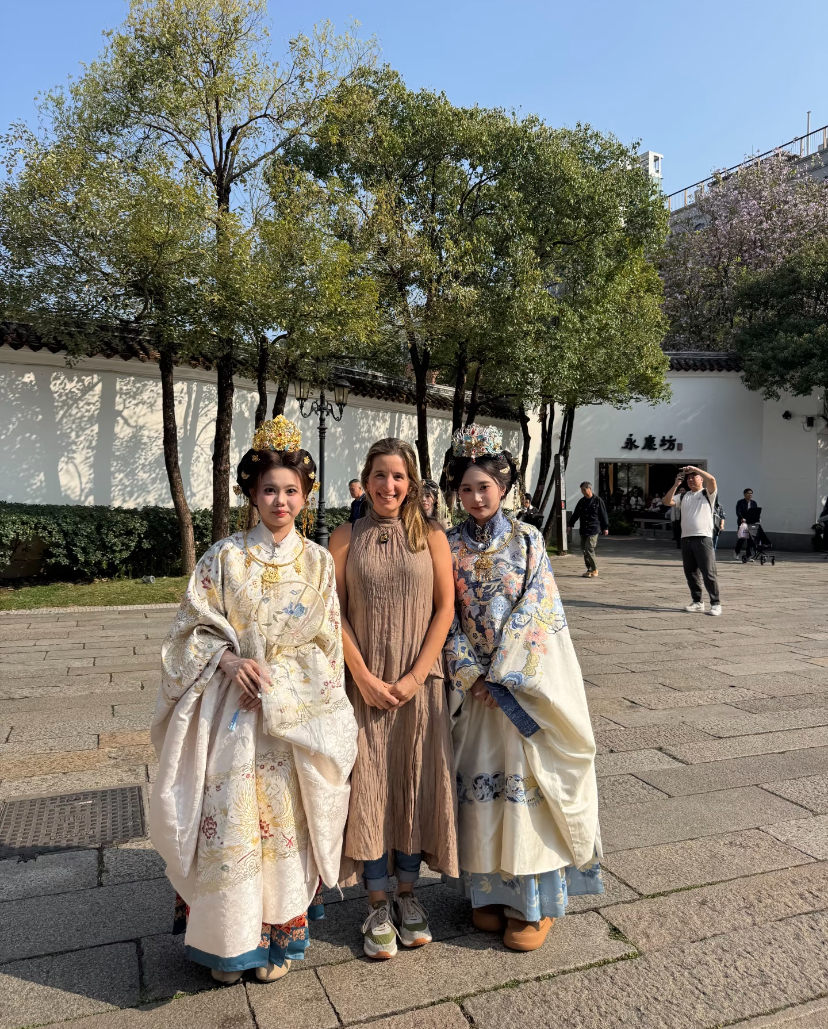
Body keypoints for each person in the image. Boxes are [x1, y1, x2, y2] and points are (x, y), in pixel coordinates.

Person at [150, 417, 358, 985]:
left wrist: (281, 684)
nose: (281, 500)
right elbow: (189, 631)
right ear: (251, 494)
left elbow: (325, 643)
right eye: (270, 490)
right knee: (232, 821)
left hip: (289, 717)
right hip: (232, 713)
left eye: (292, 490)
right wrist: (229, 662)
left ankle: (274, 939)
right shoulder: (223, 557)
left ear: (306, 496)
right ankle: (226, 940)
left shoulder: (317, 561)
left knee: (282, 827)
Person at [443, 424, 603, 953]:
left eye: (484, 486)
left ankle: (532, 904)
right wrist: (469, 671)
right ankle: (486, 891)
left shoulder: (529, 540)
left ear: (504, 487)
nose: (475, 497)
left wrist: (503, 671)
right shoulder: (447, 546)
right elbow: (441, 617)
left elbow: (539, 612)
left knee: (525, 789)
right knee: (481, 788)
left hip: (522, 689)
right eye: (465, 488)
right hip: (475, 693)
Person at [330, 439, 457, 960]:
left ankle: (409, 895)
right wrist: (361, 675)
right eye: (380, 476)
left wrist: (415, 676)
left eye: (399, 477)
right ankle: (376, 901)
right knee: (370, 787)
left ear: (413, 484)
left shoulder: (431, 537)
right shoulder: (344, 537)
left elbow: (445, 609)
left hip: (418, 687)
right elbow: (331, 613)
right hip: (363, 688)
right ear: (366, 479)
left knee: (413, 784)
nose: (388, 487)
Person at [664, 465, 722, 616]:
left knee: (708, 571)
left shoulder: (707, 494)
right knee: (691, 572)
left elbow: (713, 479)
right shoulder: (684, 496)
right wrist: (676, 485)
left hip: (703, 537)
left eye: (694, 476)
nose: (690, 479)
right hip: (686, 538)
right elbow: (666, 501)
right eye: (688, 478)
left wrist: (695, 468)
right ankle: (697, 601)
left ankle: (715, 603)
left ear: (701, 479)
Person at [569, 482, 609, 578]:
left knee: (589, 548)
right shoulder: (582, 501)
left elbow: (603, 514)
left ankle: (595, 569)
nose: (582, 492)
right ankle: (589, 569)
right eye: (581, 490)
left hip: (594, 528)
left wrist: (605, 527)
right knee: (584, 549)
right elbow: (576, 514)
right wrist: (570, 524)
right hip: (584, 528)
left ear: (589, 489)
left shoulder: (598, 501)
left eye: (584, 490)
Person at [734, 488, 758, 559]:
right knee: (742, 538)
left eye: (751, 493)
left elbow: (755, 512)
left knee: (750, 539)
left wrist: (758, 517)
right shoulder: (740, 502)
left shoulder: (754, 503)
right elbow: (738, 512)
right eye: (748, 493)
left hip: (751, 523)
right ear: (744, 495)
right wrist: (742, 518)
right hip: (743, 524)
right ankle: (737, 552)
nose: (750, 495)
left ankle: (748, 555)